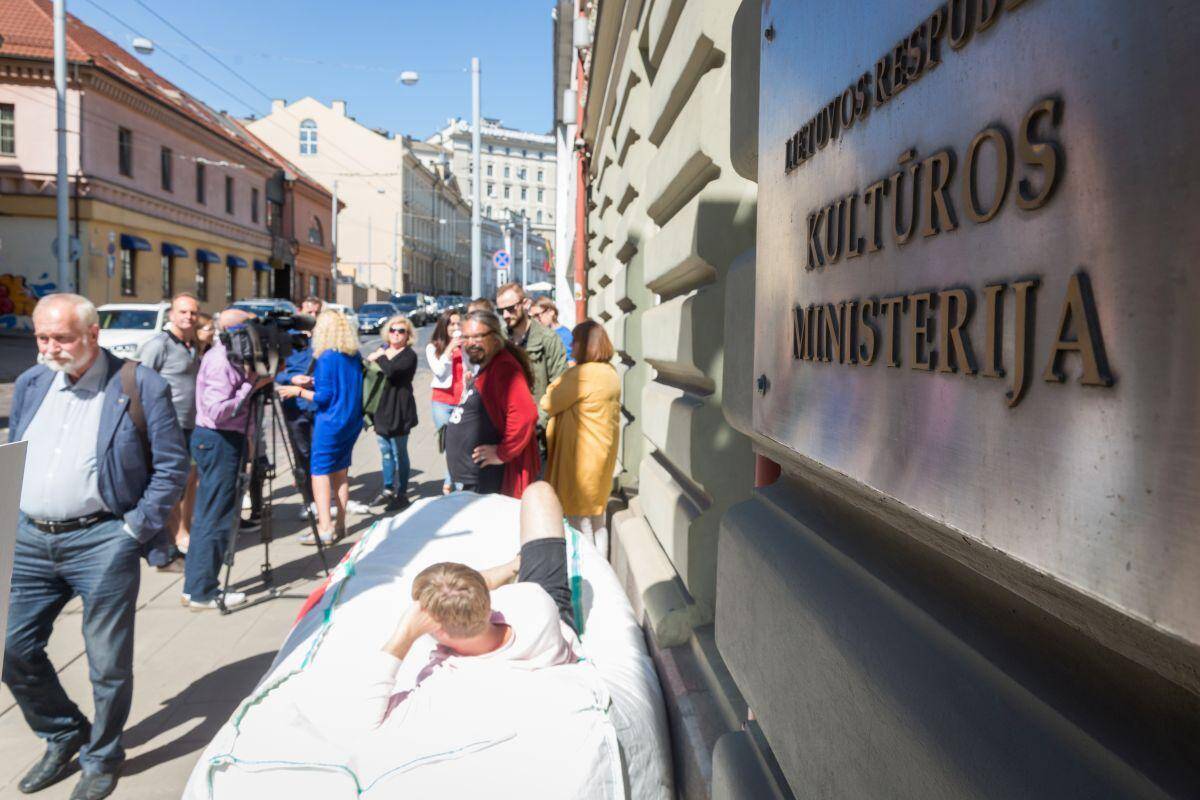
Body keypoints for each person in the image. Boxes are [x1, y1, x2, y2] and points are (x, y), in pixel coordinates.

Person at [5, 294, 188, 800]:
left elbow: (172, 466)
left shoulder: (137, 384)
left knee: (106, 664)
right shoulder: (32, 382)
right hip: (31, 539)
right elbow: (15, 451)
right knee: (12, 649)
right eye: (42, 337)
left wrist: (133, 531)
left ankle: (103, 756)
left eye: (61, 338)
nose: (49, 348)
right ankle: (64, 733)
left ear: (92, 335)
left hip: (102, 540)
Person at [359, 482, 580, 728]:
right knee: (539, 492)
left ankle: (511, 568)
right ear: (487, 601)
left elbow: (364, 718)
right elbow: (475, 586)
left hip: (528, 638)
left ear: (439, 630)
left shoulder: (447, 682)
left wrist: (405, 634)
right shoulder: (534, 599)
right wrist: (511, 569)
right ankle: (513, 567)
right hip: (547, 630)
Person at [187, 309, 276, 611]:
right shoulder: (222, 360)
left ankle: (195, 586)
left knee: (210, 514)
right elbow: (217, 411)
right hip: (218, 440)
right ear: (237, 331)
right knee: (216, 516)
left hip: (223, 440)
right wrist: (253, 385)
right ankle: (204, 592)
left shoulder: (233, 355)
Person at [278, 310, 363, 544]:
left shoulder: (326, 357)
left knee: (320, 472)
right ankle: (341, 524)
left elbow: (324, 397)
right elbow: (343, 386)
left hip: (331, 421)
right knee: (340, 472)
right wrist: (316, 383)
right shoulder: (353, 354)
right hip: (351, 419)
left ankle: (325, 528)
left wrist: (298, 391)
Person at [541, 321, 621, 559]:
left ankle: (588, 571)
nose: (571, 346)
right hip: (600, 455)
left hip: (580, 459)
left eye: (574, 341)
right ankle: (603, 567)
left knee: (579, 522)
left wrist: (559, 380)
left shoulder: (582, 375)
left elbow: (549, 402)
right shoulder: (610, 373)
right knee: (597, 520)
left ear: (585, 345)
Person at [136, 292, 201, 569]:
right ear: (171, 314)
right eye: (183, 312)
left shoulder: (193, 344)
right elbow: (140, 382)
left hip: (191, 424)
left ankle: (185, 533)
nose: (188, 317)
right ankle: (175, 539)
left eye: (193, 312)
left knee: (191, 480)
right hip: (167, 427)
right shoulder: (158, 345)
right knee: (172, 483)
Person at [444, 311, 539, 498]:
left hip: (489, 480)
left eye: (477, 336)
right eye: (466, 337)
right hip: (476, 478)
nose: (470, 343)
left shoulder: (503, 367)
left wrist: (503, 453)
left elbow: (525, 415)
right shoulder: (490, 364)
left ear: (495, 338)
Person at [494, 282, 568, 425]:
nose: (505, 315)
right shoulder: (499, 339)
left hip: (537, 426)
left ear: (526, 304)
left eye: (510, 309)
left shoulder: (548, 339)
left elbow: (559, 386)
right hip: (506, 426)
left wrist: (537, 421)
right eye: (500, 311)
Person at [366, 314, 418, 510]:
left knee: (399, 453)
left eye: (401, 331)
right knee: (385, 452)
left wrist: (379, 356)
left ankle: (402, 493)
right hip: (381, 408)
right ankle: (388, 489)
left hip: (400, 409)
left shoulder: (409, 355)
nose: (396, 334)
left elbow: (392, 372)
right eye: (392, 330)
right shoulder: (383, 350)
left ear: (408, 335)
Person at [426, 309, 464, 494]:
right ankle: (455, 483)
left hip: (462, 401)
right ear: (444, 326)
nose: (456, 327)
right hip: (442, 402)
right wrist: (449, 350)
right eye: (451, 324)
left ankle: (452, 482)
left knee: (461, 443)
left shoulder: (465, 345)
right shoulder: (432, 347)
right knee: (449, 444)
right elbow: (439, 371)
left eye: (458, 323)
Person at [532, 297, 574, 365]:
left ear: (551, 312)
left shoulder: (565, 335)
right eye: (533, 317)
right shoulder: (536, 333)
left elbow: (571, 362)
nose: (536, 320)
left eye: (537, 315)